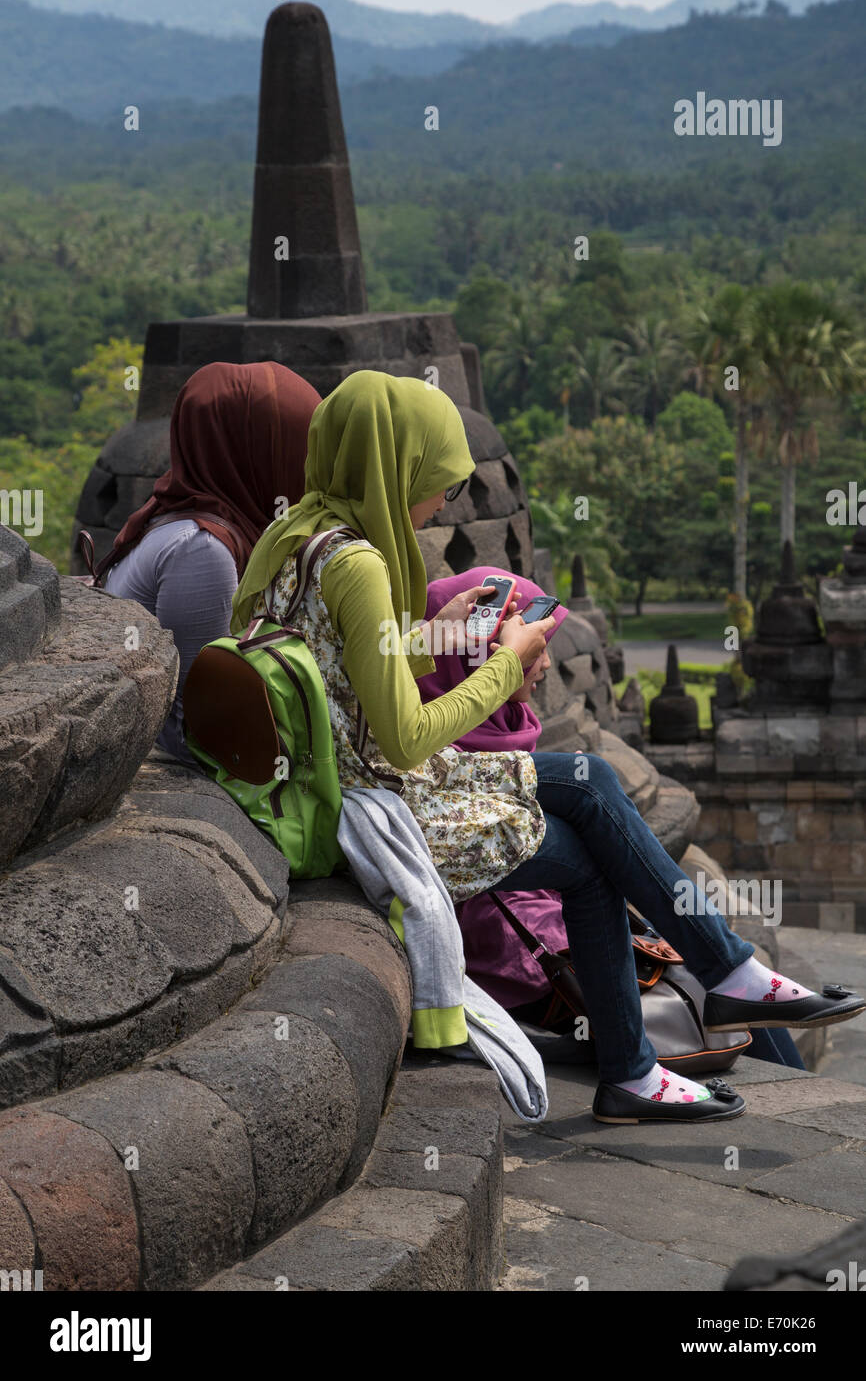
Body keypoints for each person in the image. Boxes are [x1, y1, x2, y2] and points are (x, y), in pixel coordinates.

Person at [231, 369, 864, 1124]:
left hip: (343, 782)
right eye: (436, 482)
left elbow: (346, 665)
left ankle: (708, 993)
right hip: (378, 803)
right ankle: (691, 1010)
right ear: (396, 468)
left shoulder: (294, 538)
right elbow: (402, 737)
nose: (442, 505)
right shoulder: (362, 564)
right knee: (592, 850)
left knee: (591, 778)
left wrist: (449, 633)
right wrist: (503, 662)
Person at [420, 566, 807, 1072]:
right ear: (477, 658)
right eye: (532, 646)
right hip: (533, 963)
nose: (544, 662)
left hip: (566, 927)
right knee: (704, 982)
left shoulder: (509, 725)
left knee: (717, 983)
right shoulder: (442, 748)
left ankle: (750, 1004)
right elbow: (488, 902)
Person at [102, 360, 321, 762]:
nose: (310, 469)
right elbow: (199, 723)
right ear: (257, 454)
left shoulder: (186, 506)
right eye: (300, 449)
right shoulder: (202, 550)